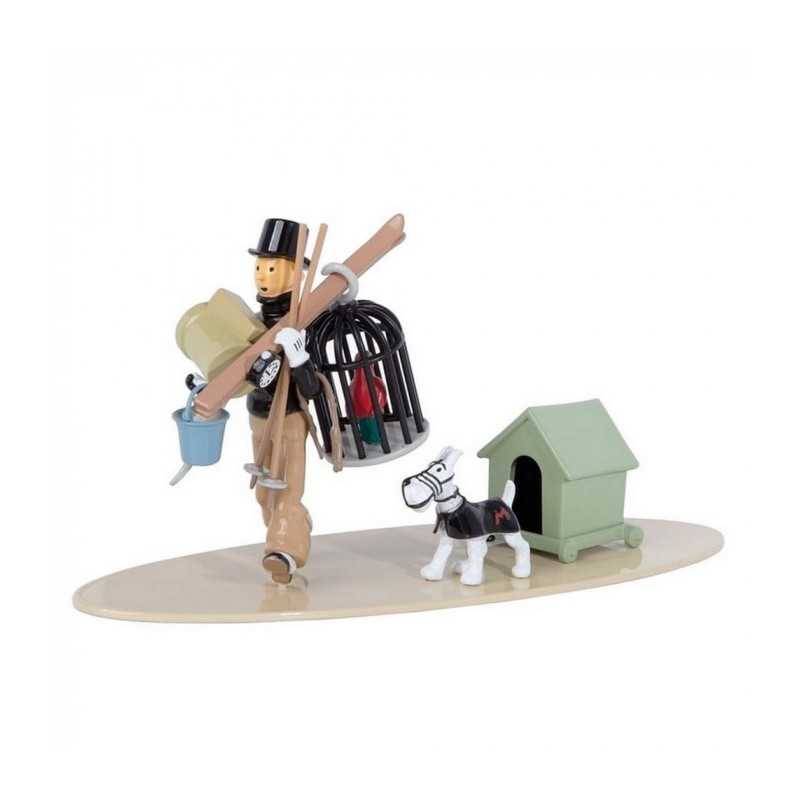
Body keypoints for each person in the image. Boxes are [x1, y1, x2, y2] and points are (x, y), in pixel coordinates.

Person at [244, 218, 322, 584]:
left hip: (290, 418)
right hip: (258, 417)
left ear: (295, 273)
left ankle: (284, 552)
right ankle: (288, 531)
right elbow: (238, 371)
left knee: (288, 489)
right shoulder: (251, 322)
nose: (263, 275)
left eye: (272, 268)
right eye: (260, 267)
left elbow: (313, 389)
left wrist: (299, 356)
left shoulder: (306, 323)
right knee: (264, 495)